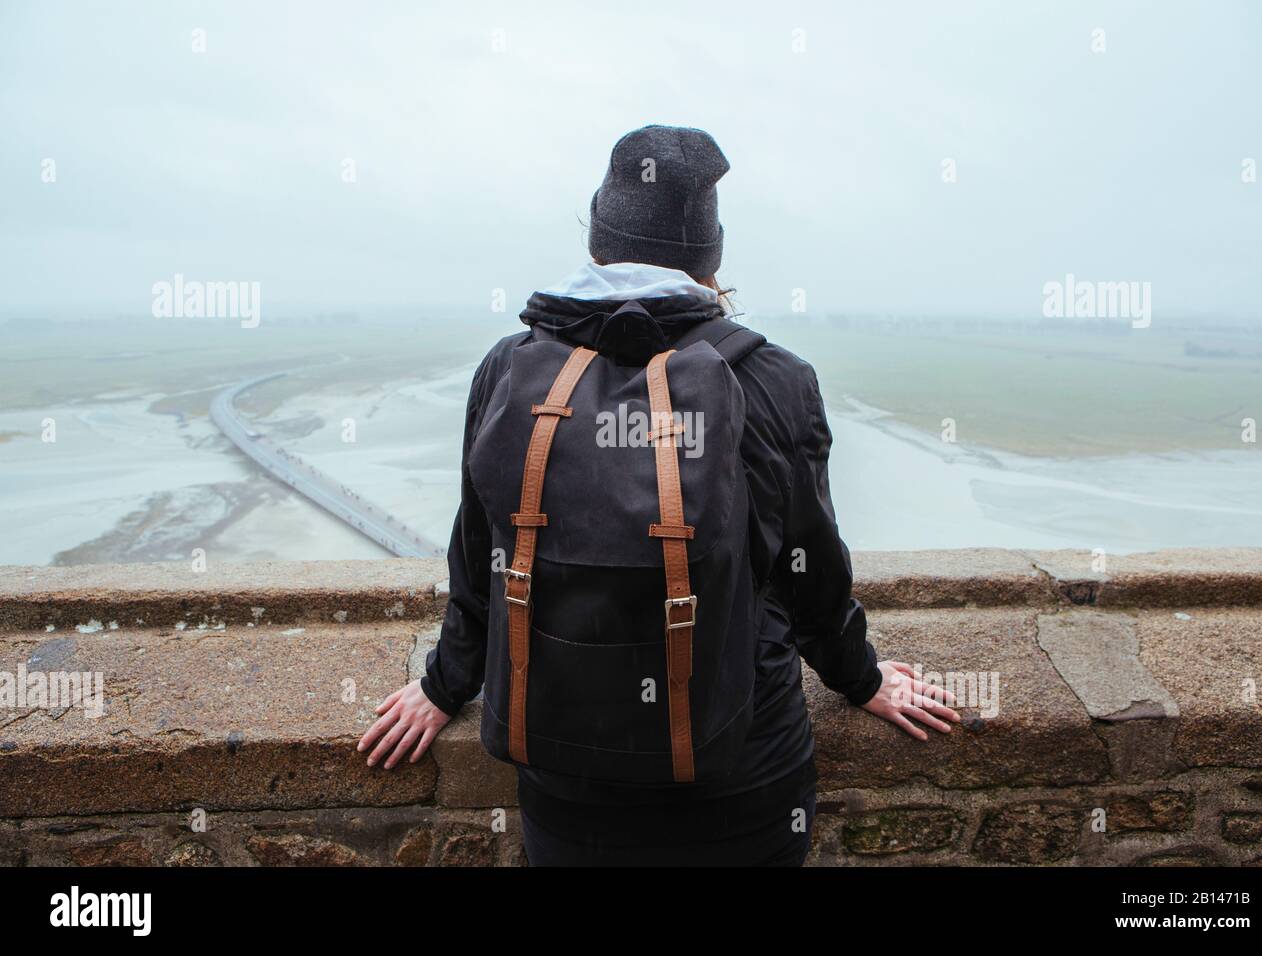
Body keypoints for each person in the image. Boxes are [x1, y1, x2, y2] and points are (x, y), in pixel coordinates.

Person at [359, 124, 959, 866]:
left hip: (568, 778)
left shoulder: (510, 372)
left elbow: (482, 551)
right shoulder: (774, 380)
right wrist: (861, 678)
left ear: (598, 239)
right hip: (743, 776)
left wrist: (447, 685)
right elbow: (810, 570)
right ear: (710, 258)